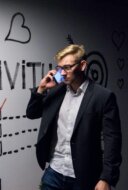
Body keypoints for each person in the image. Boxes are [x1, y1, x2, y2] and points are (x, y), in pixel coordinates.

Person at [26, 44, 122, 190]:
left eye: (67, 67)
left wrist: (106, 178)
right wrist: (41, 89)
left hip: (84, 176)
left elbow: (112, 140)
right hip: (54, 172)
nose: (62, 73)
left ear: (82, 65)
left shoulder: (103, 96)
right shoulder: (56, 91)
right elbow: (32, 113)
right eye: (59, 68)